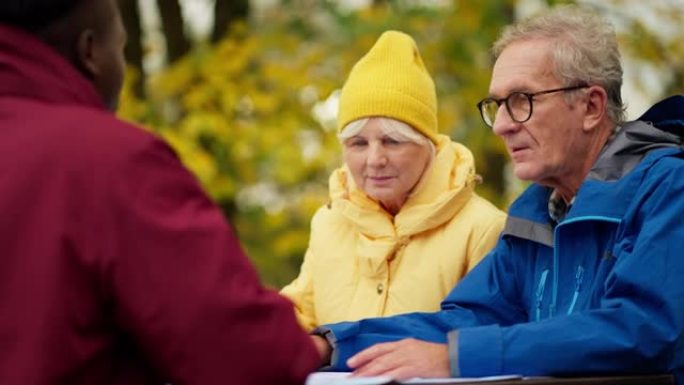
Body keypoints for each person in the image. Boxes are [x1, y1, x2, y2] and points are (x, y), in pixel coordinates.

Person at [310, 5, 684, 382]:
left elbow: (642, 329)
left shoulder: (669, 189)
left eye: (522, 101)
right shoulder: (535, 215)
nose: (502, 126)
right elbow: (467, 321)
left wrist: (457, 358)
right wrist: (333, 346)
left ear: (591, 106)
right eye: (497, 105)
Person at [0, 1, 320, 384]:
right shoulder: (104, 161)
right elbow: (253, 357)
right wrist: (322, 345)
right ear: (89, 53)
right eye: (119, 47)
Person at [280, 31, 505, 331]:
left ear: (427, 144)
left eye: (393, 141)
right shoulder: (329, 222)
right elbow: (299, 315)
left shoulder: (483, 228)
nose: (374, 160)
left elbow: (483, 339)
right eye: (358, 143)